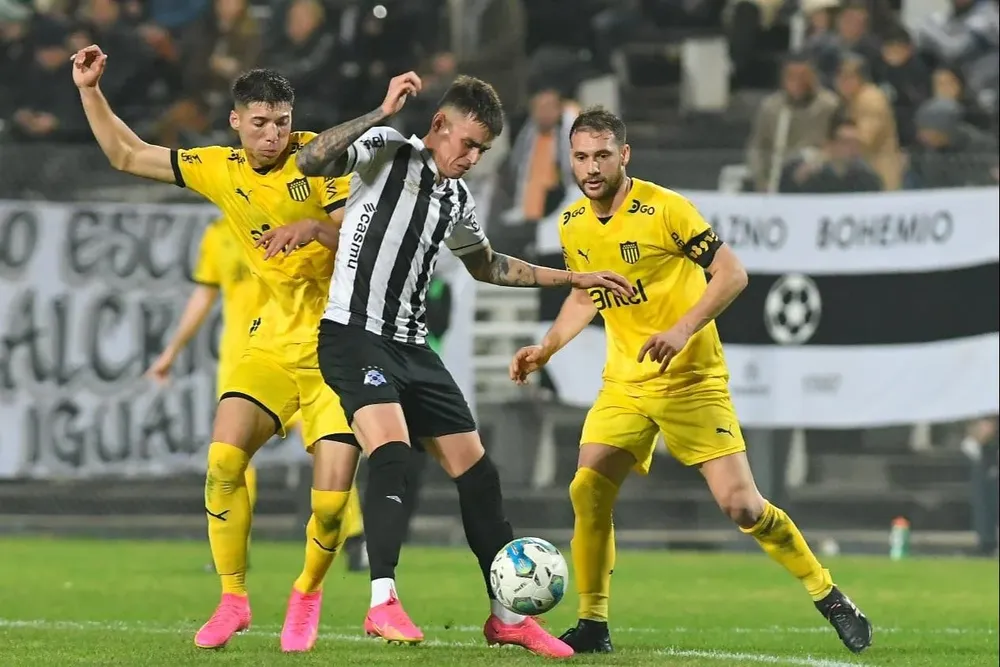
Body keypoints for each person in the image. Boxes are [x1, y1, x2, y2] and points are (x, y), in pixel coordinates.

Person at [258, 72, 631, 658]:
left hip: (411, 346)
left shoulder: (457, 199)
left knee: (479, 474)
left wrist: (575, 276)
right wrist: (380, 110)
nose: (472, 156)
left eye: (482, 149)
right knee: (392, 451)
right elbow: (308, 160)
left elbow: (486, 265)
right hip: (354, 336)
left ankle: (506, 616)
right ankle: (382, 599)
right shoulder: (388, 153)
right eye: (466, 142)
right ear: (439, 126)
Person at [508, 108, 874, 655]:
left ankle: (829, 595)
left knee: (742, 507)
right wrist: (547, 348)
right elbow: (585, 293)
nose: (590, 167)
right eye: (581, 156)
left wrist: (681, 329)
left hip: (691, 380)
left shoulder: (665, 209)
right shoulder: (573, 224)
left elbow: (733, 273)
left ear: (623, 155)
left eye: (602, 155)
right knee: (587, 488)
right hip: (625, 384)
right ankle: (593, 623)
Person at [72, 44, 364, 653]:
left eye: (282, 121)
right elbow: (128, 153)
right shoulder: (219, 166)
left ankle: (306, 592)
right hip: (272, 343)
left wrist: (316, 228)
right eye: (259, 122)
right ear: (236, 121)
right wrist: (90, 91)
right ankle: (233, 597)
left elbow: (366, 244)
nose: (273, 134)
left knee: (333, 504)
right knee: (223, 461)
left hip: (338, 345)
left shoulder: (322, 161)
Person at [144, 217, 366, 574]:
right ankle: (234, 551)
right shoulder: (216, 234)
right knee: (233, 455)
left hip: (295, 352)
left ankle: (354, 537)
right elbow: (205, 292)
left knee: (327, 447)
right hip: (242, 361)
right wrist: (171, 351)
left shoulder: (286, 221)